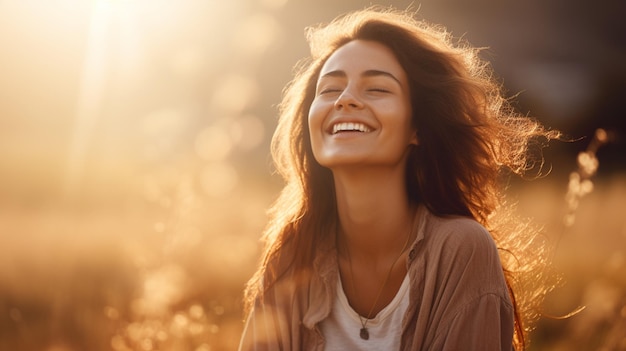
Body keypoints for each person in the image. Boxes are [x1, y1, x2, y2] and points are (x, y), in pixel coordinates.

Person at [239, 7, 558, 351]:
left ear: (417, 127)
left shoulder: (461, 249)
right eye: (329, 90)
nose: (345, 100)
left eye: (376, 89)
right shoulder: (291, 254)